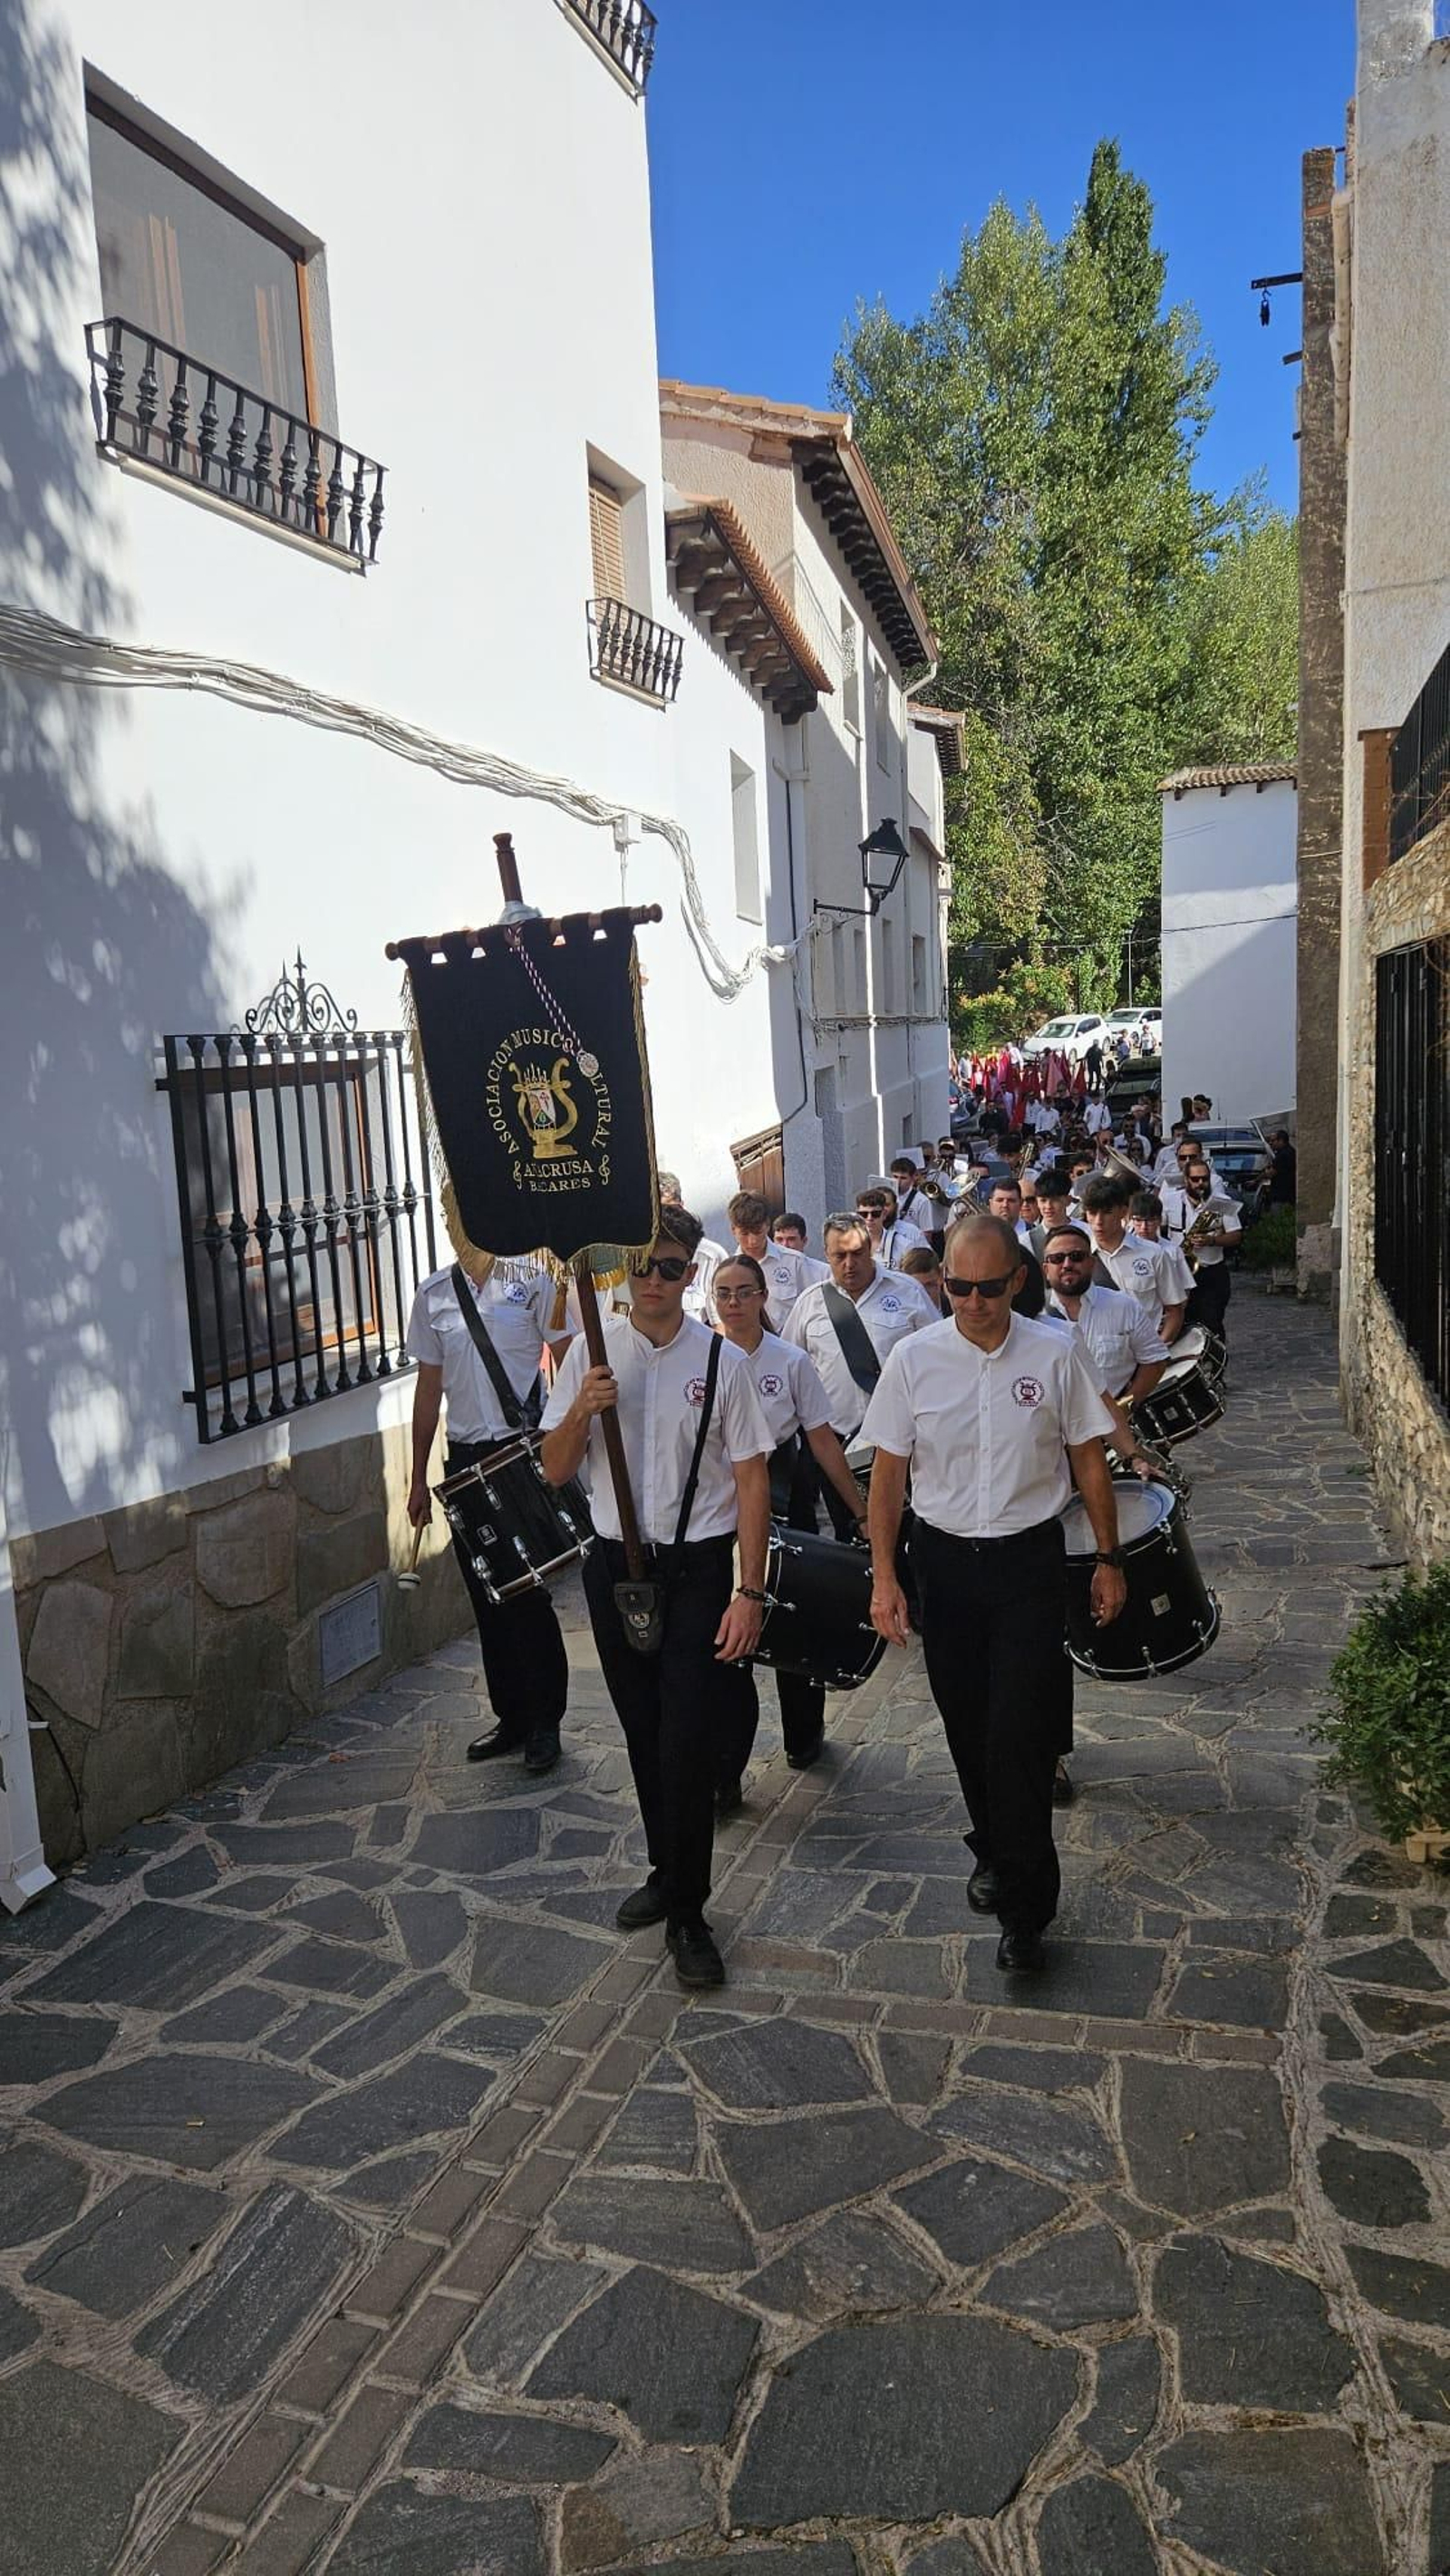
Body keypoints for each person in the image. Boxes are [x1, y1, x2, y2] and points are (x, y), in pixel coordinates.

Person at [863, 1214, 1126, 1974]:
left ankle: (1025, 1909)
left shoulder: (1054, 1353)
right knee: (967, 1726)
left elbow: (1089, 1458)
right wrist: (885, 1576)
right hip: (943, 1565)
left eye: (987, 1288)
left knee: (1021, 1736)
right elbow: (888, 1475)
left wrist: (1108, 1557)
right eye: (957, 1287)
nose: (972, 1302)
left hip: (1027, 1566)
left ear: (1016, 1279)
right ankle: (995, 1844)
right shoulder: (914, 1360)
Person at [539, 1206, 772, 1990]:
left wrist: (749, 1590)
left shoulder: (723, 1361)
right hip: (615, 1569)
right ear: (622, 1268)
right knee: (643, 1731)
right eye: (642, 1264)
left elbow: (752, 1481)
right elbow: (555, 1469)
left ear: (690, 1274)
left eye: (670, 1268)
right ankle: (667, 1870)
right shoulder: (592, 1354)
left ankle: (690, 1913)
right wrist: (582, 1408)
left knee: (686, 1741)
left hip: (698, 1570)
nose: (653, 1281)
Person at [407, 1254, 575, 1775]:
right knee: (487, 1594)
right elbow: (428, 1390)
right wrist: (417, 1476)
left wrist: (560, 1437)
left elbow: (568, 1359)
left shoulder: (534, 1281)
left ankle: (545, 1720)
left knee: (527, 1592)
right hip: (464, 1457)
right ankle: (512, 1717)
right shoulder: (434, 1293)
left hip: (517, 1451)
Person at [710, 1254, 869, 1803]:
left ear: (762, 1297)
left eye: (744, 1292)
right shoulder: (704, 1357)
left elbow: (821, 1438)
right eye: (724, 1293)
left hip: (786, 1494)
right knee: (727, 1644)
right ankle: (725, 1772)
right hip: (724, 1507)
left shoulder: (791, 1360)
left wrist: (860, 1510)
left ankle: (805, 1734)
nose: (734, 1303)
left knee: (796, 1619)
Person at [780, 1212, 937, 1506]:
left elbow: (938, 1357)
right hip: (837, 1447)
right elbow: (788, 1369)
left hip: (903, 1441)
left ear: (870, 1249)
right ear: (826, 1254)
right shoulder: (809, 1303)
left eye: (857, 1253)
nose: (849, 1264)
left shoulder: (908, 1292)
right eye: (840, 1256)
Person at [1079, 1175, 1191, 1343]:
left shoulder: (1154, 1254)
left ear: (1123, 1212)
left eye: (1107, 1212)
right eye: (1092, 1213)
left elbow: (1175, 1310)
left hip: (1144, 1349)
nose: (1098, 1221)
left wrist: (1157, 1350)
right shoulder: (1078, 1255)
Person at [727, 1189, 826, 1332]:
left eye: (757, 1232)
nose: (752, 1241)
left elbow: (817, 1305)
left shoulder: (795, 1262)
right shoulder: (727, 1269)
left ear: (767, 1225)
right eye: (744, 1234)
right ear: (733, 1230)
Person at [1171, 1159, 1242, 1341]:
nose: (1200, 1183)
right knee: (1183, 1324)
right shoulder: (1171, 1201)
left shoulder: (1221, 1202)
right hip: (1180, 1272)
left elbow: (1236, 1236)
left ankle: (1216, 1356)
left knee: (1212, 1323)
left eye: (1205, 1179)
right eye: (1195, 1179)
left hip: (1211, 1272)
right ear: (1186, 1180)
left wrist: (1212, 1240)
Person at [659, 1170, 728, 1324]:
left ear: (681, 1206)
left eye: (669, 1210)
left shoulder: (711, 1256)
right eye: (658, 1211)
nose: (664, 1219)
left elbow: (720, 1324)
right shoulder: (633, 1257)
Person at [856, 1185, 928, 1270]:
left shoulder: (904, 1245)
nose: (869, 1218)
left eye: (875, 1214)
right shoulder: (850, 1243)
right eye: (864, 1214)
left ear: (884, 1214)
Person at [890, 1154, 936, 1235]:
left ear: (913, 1178)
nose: (898, 1182)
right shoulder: (885, 1197)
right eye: (895, 1177)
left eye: (903, 1178)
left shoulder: (922, 1201)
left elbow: (927, 1233)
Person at [899, 1244, 948, 1315]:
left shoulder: (955, 1308)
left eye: (929, 1284)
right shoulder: (898, 1314)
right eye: (916, 1287)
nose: (924, 1292)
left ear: (940, 1278)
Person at [1267, 1129, 1297, 1206]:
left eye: (1273, 1141)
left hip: (1281, 1196)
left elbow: (1271, 1173)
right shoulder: (1291, 1151)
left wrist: (1266, 1171)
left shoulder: (1283, 1155)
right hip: (1289, 1194)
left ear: (1281, 1141)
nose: (1270, 1143)